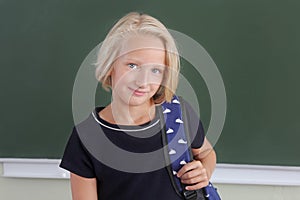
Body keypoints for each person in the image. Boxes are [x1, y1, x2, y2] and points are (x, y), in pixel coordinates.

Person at [60, 12, 217, 200]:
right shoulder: (87, 137)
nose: (143, 81)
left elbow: (207, 153)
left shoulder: (178, 113)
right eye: (133, 66)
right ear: (110, 65)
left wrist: (203, 172)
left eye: (156, 70)